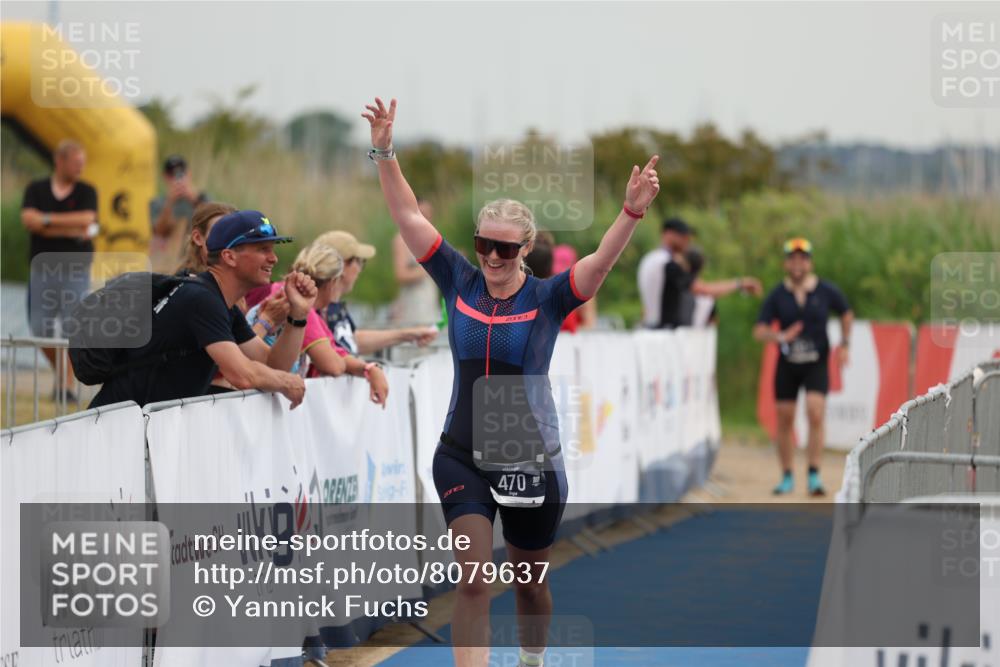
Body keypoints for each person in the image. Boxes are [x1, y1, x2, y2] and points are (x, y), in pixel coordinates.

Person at [364, 96, 661, 667]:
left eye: (505, 247)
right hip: (461, 452)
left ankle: (531, 658)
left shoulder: (548, 297)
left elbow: (598, 265)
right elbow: (408, 217)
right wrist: (384, 151)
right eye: (484, 244)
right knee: (473, 581)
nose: (493, 256)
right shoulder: (458, 278)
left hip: (528, 456)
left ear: (526, 249)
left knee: (528, 582)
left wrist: (630, 213)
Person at [89, 210, 315, 409]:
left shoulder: (221, 303)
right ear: (229, 257)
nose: (274, 258)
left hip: (141, 426)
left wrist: (299, 314)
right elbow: (242, 374)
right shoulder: (201, 300)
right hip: (117, 430)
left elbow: (274, 365)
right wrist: (285, 382)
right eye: (263, 249)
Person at [753, 237, 853, 496]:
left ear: (809, 262)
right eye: (792, 259)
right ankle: (786, 475)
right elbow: (759, 330)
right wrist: (780, 337)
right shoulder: (778, 294)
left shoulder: (825, 290)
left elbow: (846, 313)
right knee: (785, 418)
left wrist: (844, 344)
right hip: (787, 365)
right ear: (786, 263)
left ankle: (814, 474)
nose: (797, 264)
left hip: (816, 363)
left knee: (815, 412)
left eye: (802, 259)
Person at [246, 242, 390, 407]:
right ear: (332, 282)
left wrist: (369, 368)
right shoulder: (299, 305)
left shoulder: (293, 297)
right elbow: (334, 365)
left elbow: (337, 351)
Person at [20, 139, 99, 400]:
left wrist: (47, 221)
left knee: (70, 326)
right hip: (42, 269)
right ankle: (62, 371)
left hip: (75, 269)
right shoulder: (36, 189)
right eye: (76, 163)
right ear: (60, 161)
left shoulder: (87, 190)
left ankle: (66, 384)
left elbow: (87, 220)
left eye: (82, 164)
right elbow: (29, 221)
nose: (80, 168)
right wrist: (70, 229)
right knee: (39, 326)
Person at [313, 230, 437, 355]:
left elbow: (352, 339)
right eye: (359, 261)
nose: (360, 270)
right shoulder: (321, 311)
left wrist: (408, 335)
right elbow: (336, 361)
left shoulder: (330, 307)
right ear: (342, 265)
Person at [637, 217, 761, 328]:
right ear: (668, 234)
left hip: (651, 327)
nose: (687, 240)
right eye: (683, 236)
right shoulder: (667, 263)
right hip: (663, 331)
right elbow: (703, 289)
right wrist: (740, 283)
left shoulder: (650, 258)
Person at [150, 155, 208, 273]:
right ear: (166, 177)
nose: (177, 179)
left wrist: (193, 198)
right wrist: (170, 202)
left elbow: (212, 220)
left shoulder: (202, 198)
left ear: (189, 174)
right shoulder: (157, 203)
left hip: (197, 260)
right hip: (169, 263)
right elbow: (159, 231)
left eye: (181, 175)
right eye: (172, 175)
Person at [390, 197, 441, 325]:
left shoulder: (432, 239)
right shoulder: (401, 240)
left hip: (431, 308)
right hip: (412, 311)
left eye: (429, 215)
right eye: (422, 214)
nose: (426, 219)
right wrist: (431, 264)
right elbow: (400, 275)